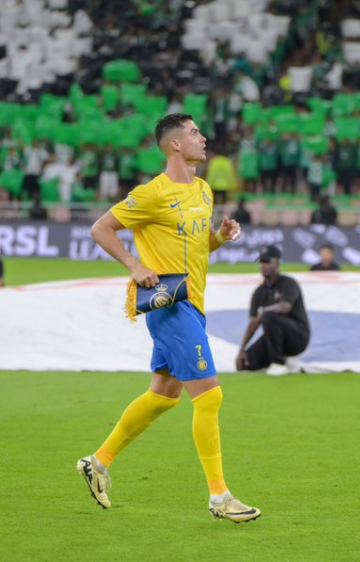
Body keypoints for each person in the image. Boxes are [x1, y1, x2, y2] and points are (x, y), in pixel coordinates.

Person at [78, 113, 260, 523]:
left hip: (193, 304)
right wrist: (133, 265)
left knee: (163, 394)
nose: (204, 136)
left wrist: (217, 237)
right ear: (174, 144)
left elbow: (196, 250)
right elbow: (101, 228)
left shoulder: (204, 190)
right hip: (168, 305)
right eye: (195, 132)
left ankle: (98, 462)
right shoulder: (152, 194)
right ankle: (220, 498)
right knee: (210, 395)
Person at [236, 245, 310, 376]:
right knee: (245, 364)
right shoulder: (259, 292)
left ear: (277, 263)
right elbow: (253, 324)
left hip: (298, 336)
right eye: (261, 262)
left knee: (269, 315)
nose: (263, 265)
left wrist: (264, 311)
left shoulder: (288, 283)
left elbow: (285, 307)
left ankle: (278, 363)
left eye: (267, 262)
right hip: (275, 338)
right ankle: (285, 359)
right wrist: (241, 350)